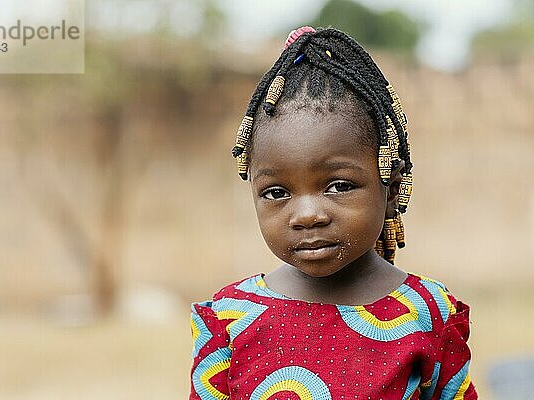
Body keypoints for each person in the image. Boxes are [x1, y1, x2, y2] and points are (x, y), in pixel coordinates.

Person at [189, 26, 477, 399]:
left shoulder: (431, 313)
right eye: (276, 192)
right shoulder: (230, 318)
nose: (307, 214)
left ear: (390, 187)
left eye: (338, 185)